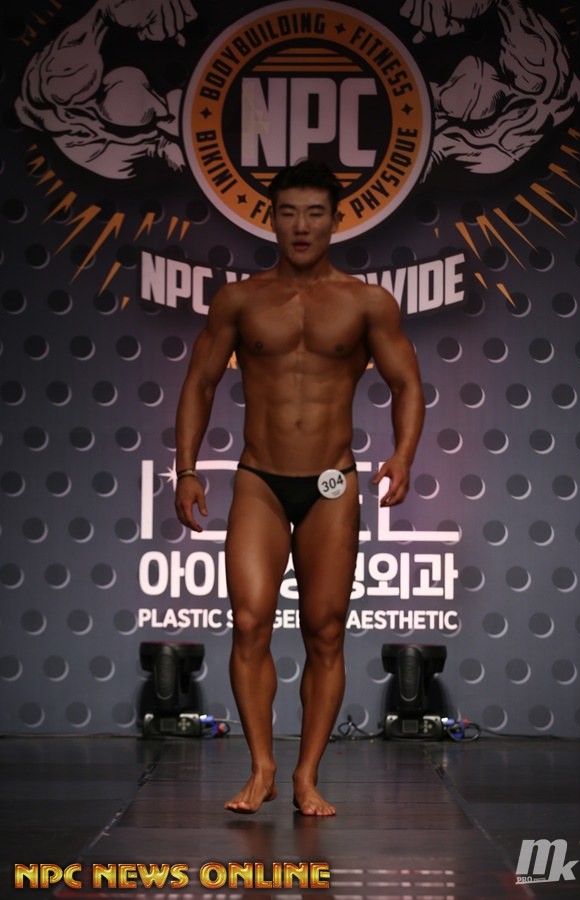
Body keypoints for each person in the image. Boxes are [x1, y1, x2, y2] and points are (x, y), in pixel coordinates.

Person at [174, 159, 424, 816]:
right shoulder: (240, 300)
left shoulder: (366, 303)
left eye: (315, 213)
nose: (302, 225)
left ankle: (307, 775)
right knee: (249, 622)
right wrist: (187, 468)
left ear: (336, 220)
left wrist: (402, 455)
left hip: (332, 482)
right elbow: (200, 382)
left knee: (326, 630)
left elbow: (407, 383)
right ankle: (262, 766)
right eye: (288, 213)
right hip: (259, 478)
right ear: (272, 219)